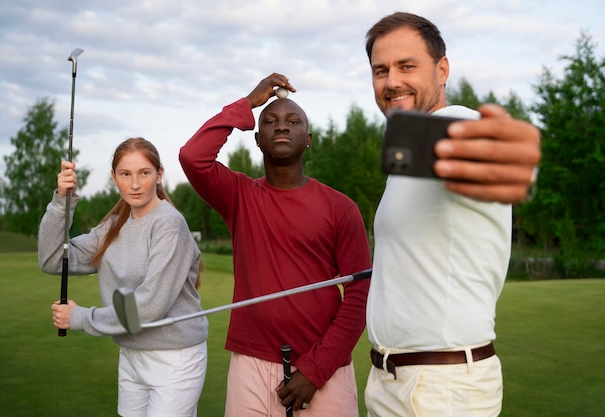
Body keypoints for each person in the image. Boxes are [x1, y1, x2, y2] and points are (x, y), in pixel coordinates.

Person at [363, 12, 542, 417]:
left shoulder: (453, 123)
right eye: (380, 70)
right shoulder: (406, 156)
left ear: (441, 70)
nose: (392, 81)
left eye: (407, 66)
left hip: (442, 391)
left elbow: (485, 150)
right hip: (391, 382)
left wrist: (513, 160)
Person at [179, 75, 372, 417]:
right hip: (251, 364)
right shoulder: (239, 195)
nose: (281, 126)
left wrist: (315, 370)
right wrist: (248, 102)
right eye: (270, 121)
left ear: (308, 139)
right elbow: (193, 157)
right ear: (257, 138)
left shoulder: (341, 207)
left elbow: (360, 294)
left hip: (323, 368)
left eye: (292, 121)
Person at [38, 137, 208, 417]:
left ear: (159, 175)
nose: (136, 183)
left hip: (176, 358)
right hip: (131, 355)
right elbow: (53, 259)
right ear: (114, 178)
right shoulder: (113, 226)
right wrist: (61, 202)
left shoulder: (169, 224)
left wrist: (80, 317)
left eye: (144, 173)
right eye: (125, 174)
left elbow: (148, 306)